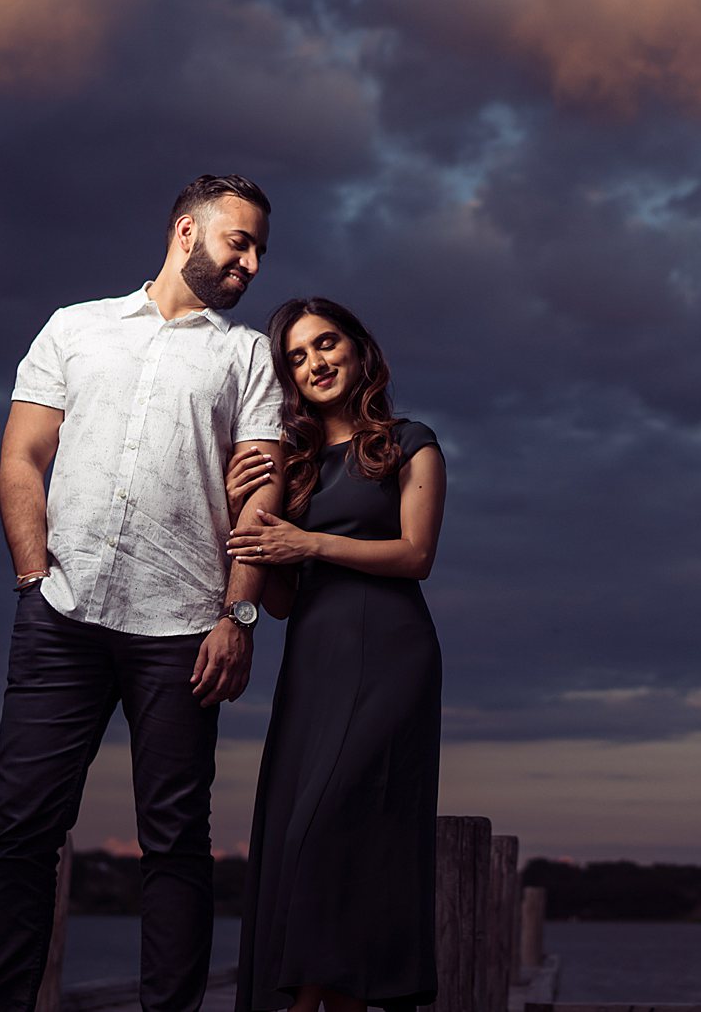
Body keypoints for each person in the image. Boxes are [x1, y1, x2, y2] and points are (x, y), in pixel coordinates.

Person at [0, 175, 287, 1012]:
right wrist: (33, 579)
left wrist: (239, 615)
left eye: (259, 250)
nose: (252, 263)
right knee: (23, 834)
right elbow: (21, 458)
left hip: (186, 628)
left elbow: (263, 499)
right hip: (61, 617)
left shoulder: (247, 354)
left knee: (177, 842)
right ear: (187, 232)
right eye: (240, 242)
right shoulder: (72, 329)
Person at [225, 297, 447, 1012]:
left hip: (391, 657)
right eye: (297, 355)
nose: (316, 362)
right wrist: (249, 516)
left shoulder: (411, 442)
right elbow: (283, 600)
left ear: (358, 350)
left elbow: (416, 556)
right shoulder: (290, 470)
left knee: (332, 829)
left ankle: (302, 1004)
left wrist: (310, 542)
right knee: (305, 839)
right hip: (313, 663)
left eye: (326, 344)